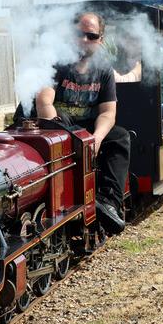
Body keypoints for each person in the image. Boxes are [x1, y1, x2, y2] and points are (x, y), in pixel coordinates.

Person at [34, 12, 130, 234]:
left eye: (91, 35)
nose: (84, 40)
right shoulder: (58, 63)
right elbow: (44, 101)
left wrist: (95, 139)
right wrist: (60, 136)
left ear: (101, 40)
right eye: (79, 34)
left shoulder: (104, 70)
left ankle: (108, 203)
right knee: (63, 118)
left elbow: (108, 112)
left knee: (120, 137)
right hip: (57, 125)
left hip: (85, 128)